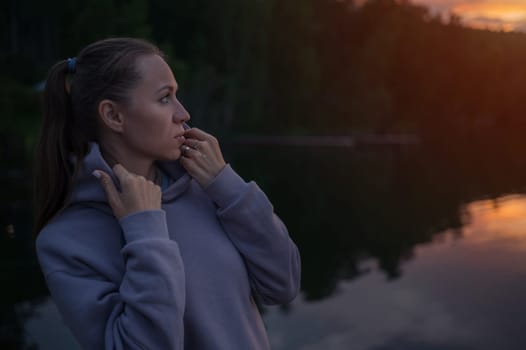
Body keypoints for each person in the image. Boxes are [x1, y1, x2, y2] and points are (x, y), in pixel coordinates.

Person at [33, 37, 301, 349]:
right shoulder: (65, 241)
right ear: (113, 116)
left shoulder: (206, 191)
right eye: (164, 98)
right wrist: (145, 231)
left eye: (177, 95)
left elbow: (283, 285)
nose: (183, 113)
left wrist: (228, 187)